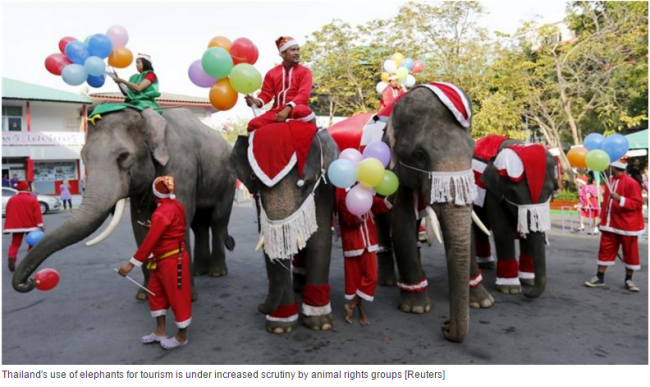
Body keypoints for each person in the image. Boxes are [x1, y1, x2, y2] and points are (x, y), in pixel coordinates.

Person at [118, 176, 191, 350]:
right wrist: (155, 225)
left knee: (177, 296)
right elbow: (172, 226)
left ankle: (182, 336)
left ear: (155, 192)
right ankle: (160, 331)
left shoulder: (161, 212)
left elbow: (150, 241)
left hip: (173, 259)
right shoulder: (174, 206)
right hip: (162, 259)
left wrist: (131, 264)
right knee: (155, 293)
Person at [585, 160, 645, 292]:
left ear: (614, 168)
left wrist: (620, 199)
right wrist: (602, 220)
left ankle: (629, 279)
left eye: (610, 167)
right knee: (605, 249)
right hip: (610, 224)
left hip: (627, 225)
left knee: (630, 253)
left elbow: (637, 204)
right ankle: (600, 277)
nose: (607, 169)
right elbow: (606, 204)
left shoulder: (632, 183)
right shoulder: (609, 181)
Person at [336, 187, 392, 325]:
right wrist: (359, 210)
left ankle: (351, 305)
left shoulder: (369, 197)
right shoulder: (345, 200)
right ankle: (361, 310)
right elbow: (350, 222)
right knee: (355, 282)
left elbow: (382, 206)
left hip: (369, 244)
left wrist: (395, 191)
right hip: (353, 245)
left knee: (371, 278)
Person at [244, 36, 315, 132]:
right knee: (254, 124)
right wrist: (257, 102)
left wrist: (287, 109)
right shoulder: (272, 73)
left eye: (298, 50)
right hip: (277, 111)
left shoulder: (305, 71)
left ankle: (317, 139)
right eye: (293, 50)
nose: (297, 53)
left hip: (297, 109)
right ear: (282, 53)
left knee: (302, 111)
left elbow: (303, 95)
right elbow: (266, 93)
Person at [3, 180, 44, 272]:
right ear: (27, 188)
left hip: (16, 226)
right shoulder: (31, 199)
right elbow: (37, 214)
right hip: (31, 225)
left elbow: (8, 212)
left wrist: (8, 226)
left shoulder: (12, 199)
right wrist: (41, 225)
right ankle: (29, 261)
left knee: (15, 243)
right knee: (32, 243)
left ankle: (11, 256)